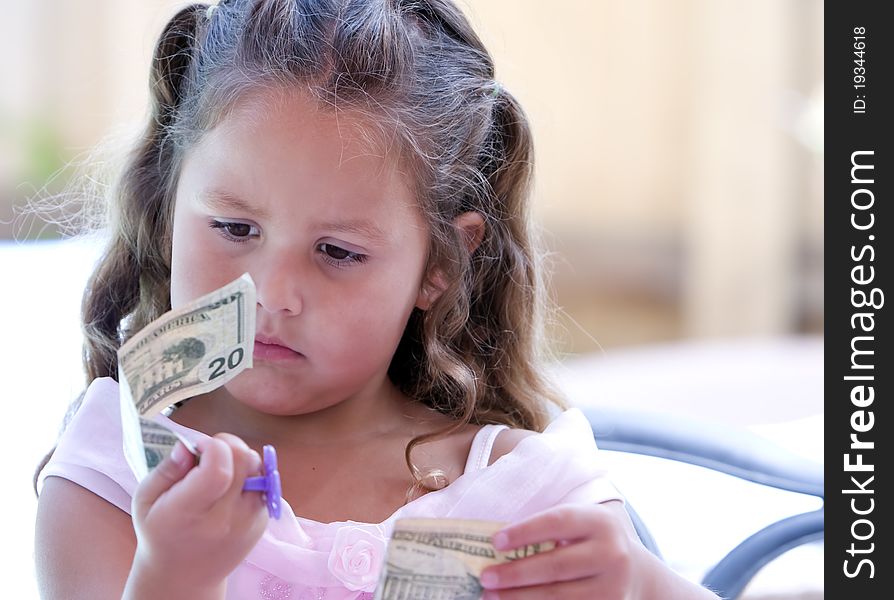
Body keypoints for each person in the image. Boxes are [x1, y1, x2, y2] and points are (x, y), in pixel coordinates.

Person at [34, 1, 720, 598]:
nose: (271, 295)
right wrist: (175, 576)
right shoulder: (113, 475)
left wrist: (637, 581)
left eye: (337, 252)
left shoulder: (522, 489)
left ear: (439, 267)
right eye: (236, 228)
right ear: (165, 209)